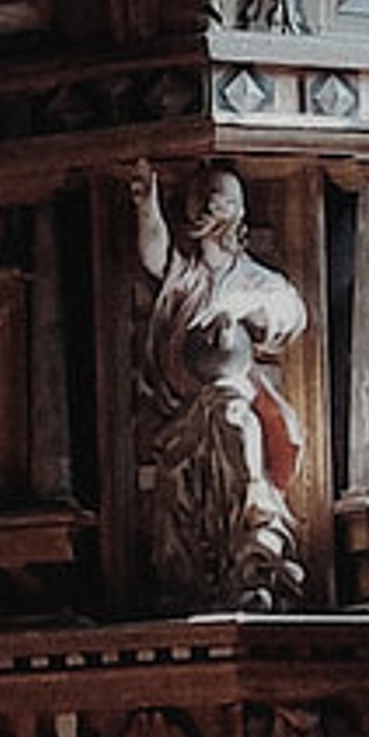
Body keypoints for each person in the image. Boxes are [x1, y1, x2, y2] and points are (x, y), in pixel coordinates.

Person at [130, 160, 310, 609]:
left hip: (237, 404)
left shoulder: (256, 279)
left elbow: (291, 313)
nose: (211, 211)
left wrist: (244, 304)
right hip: (184, 412)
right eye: (204, 202)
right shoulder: (185, 276)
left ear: (238, 213)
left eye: (221, 201)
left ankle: (255, 556)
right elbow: (154, 254)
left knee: (236, 422)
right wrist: (147, 207)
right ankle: (187, 579)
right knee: (177, 477)